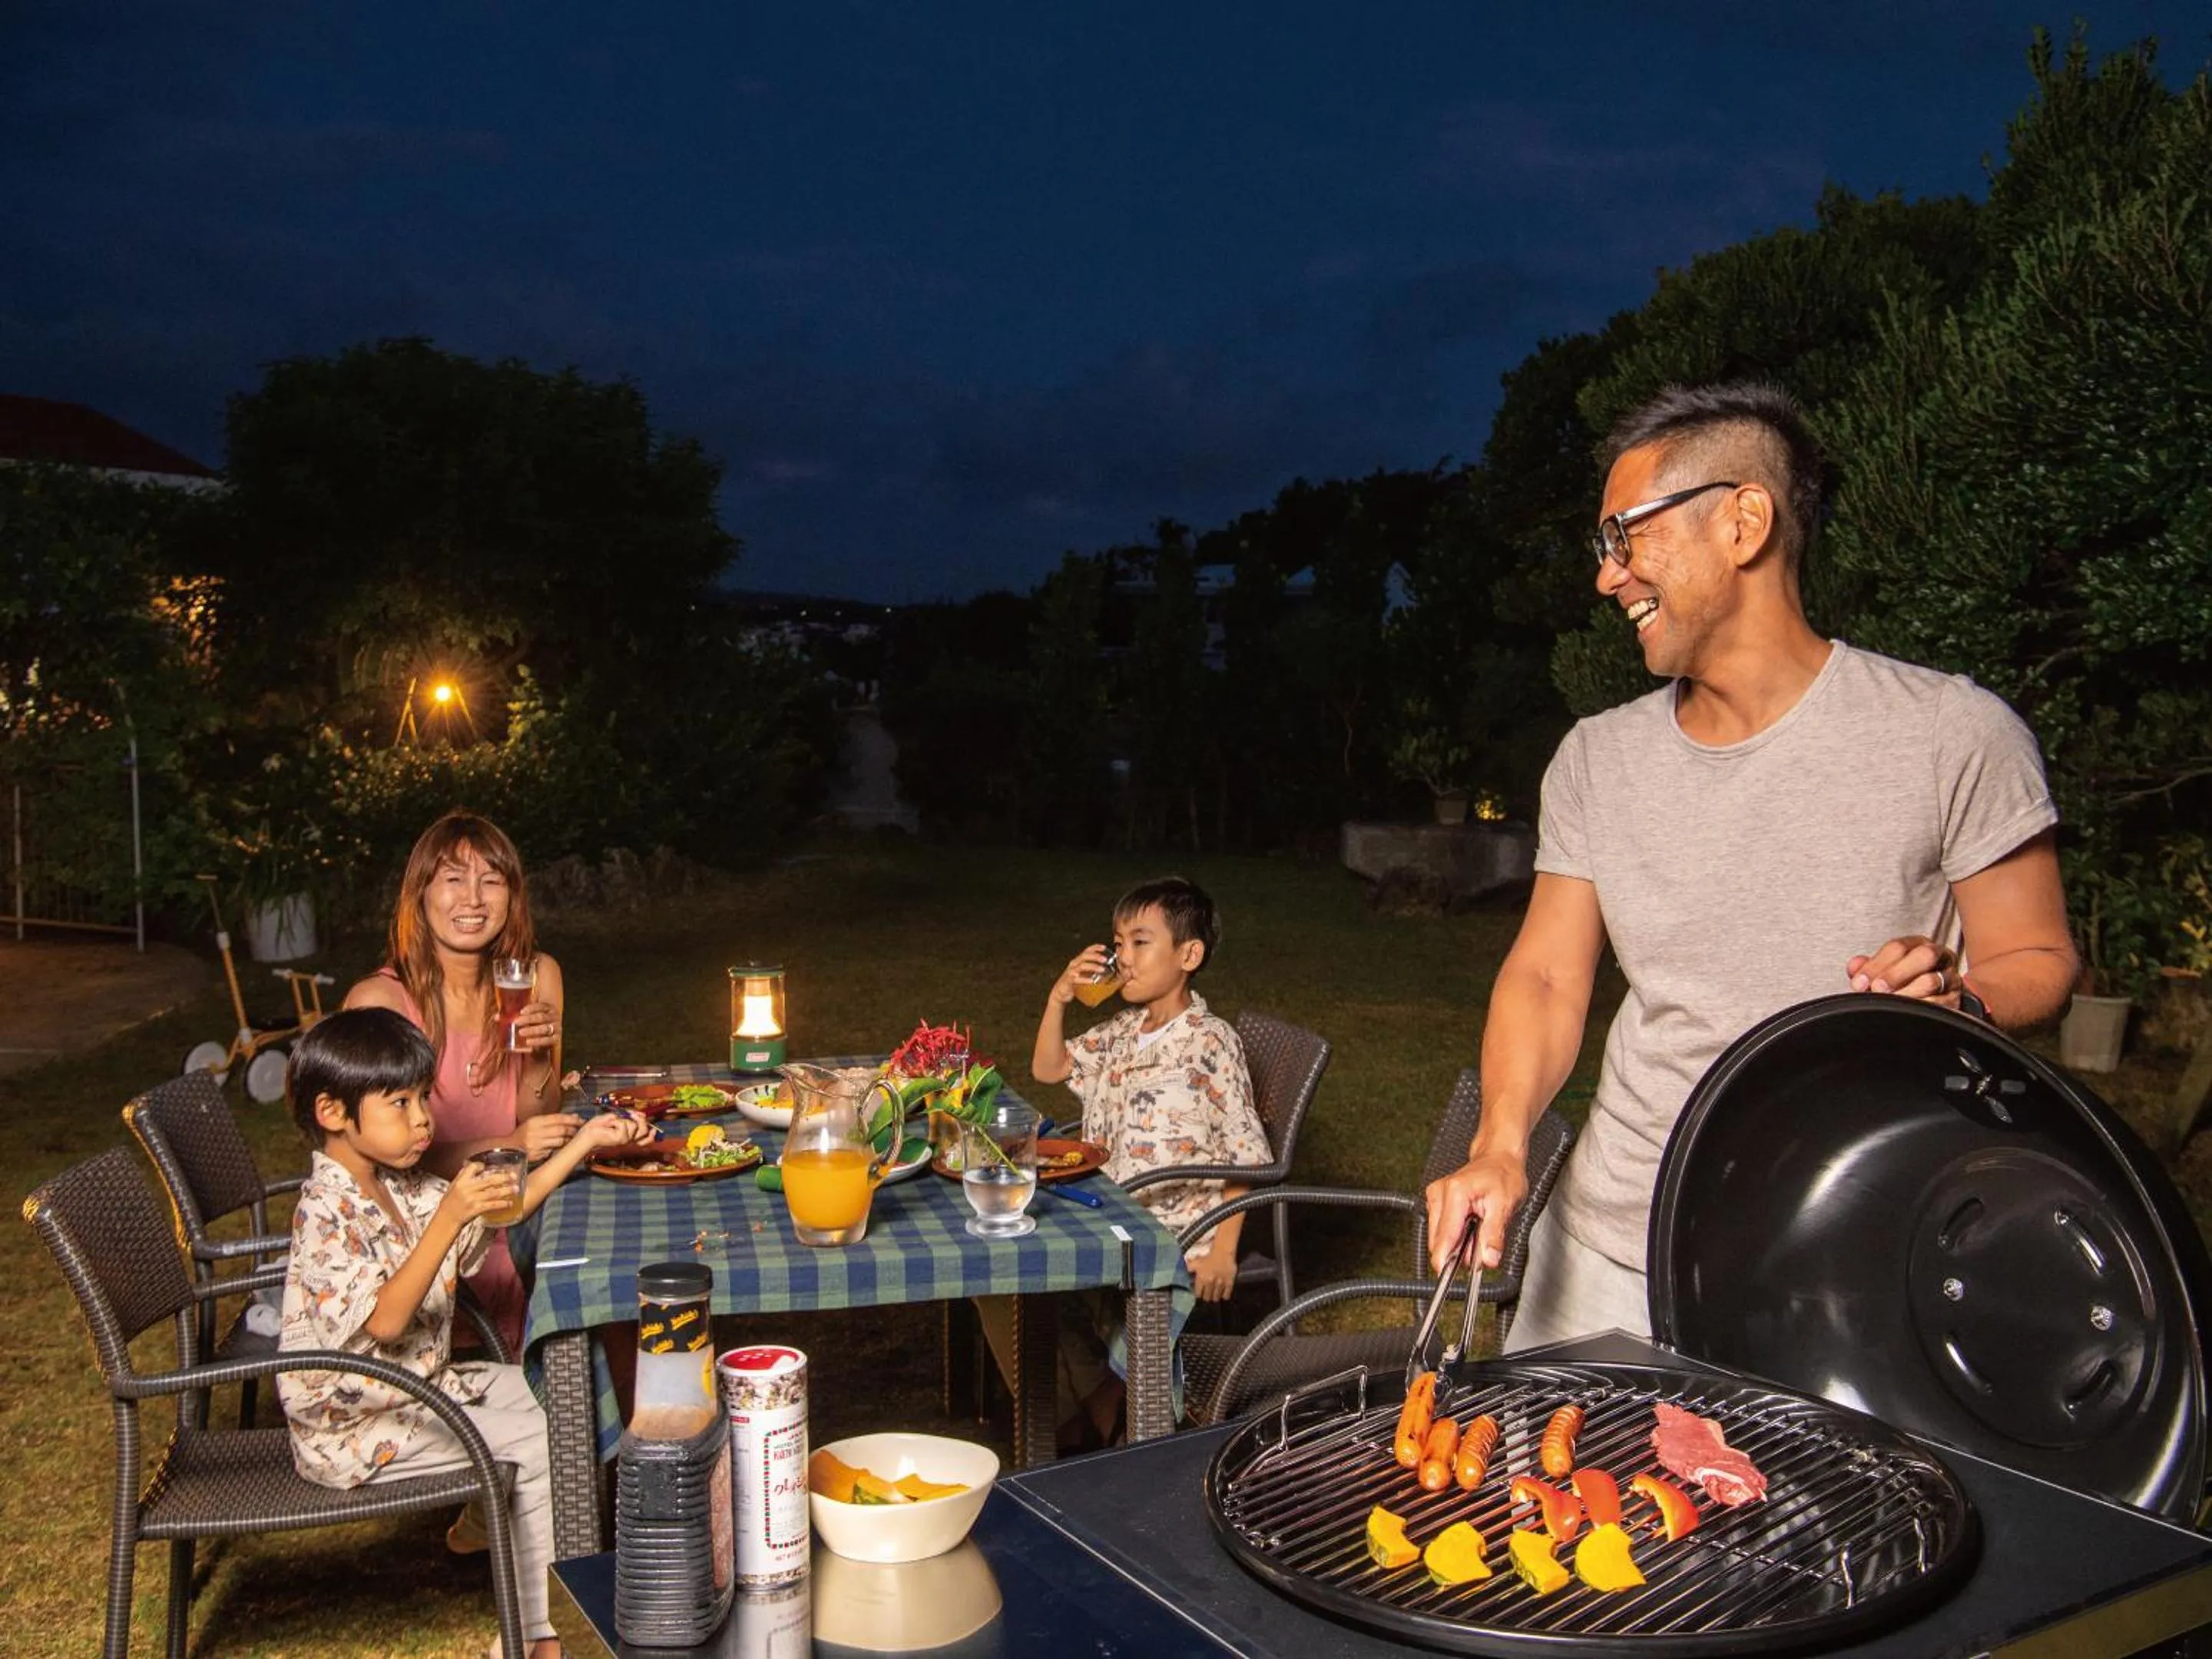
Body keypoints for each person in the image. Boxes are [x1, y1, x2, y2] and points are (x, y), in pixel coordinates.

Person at [1425, 379, 2079, 1350]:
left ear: (1743, 522)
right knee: (1554, 1499)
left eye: (1625, 538)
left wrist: (1965, 1003)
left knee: (1808, 1512)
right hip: (1609, 1251)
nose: (1608, 579)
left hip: (1849, 1260)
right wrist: (1498, 1147)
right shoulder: (1598, 758)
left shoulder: (1952, 734)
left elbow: (2041, 959)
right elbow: (1549, 976)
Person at [276, 1006, 645, 1659]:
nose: (423, 1120)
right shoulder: (326, 1210)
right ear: (334, 1113)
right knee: (541, 1440)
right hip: (354, 1425)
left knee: (563, 1390)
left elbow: (510, 1204)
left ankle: (555, 1574)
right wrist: (447, 1215)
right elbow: (388, 1322)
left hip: (420, 1385)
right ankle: (540, 1639)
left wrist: (586, 1143)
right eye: (399, 1103)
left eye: (423, 1098)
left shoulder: (399, 1183)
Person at [1027, 876, 1270, 1442]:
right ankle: (1108, 1411)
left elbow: (1245, 1155)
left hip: (1174, 1235)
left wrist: (1225, 1253)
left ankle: (1131, 1423)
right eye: (1118, 944)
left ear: (1188, 955)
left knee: (1048, 1284)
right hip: (1108, 1215)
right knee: (1025, 1284)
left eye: (1140, 943)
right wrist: (1058, 997)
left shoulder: (1210, 1043)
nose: (1123, 960)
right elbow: (1048, 1068)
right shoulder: (1121, 1030)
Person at [347, 811, 576, 1359]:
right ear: (420, 892)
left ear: (512, 895)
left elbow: (533, 1113)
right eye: (453, 879)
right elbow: (381, 1164)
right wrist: (508, 1150)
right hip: (429, 1225)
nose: (472, 899)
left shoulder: (535, 976)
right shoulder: (378, 1006)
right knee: (569, 1269)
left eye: (491, 881)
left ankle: (619, 1431)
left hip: (515, 1201)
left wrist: (541, 1054)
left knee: (607, 1250)